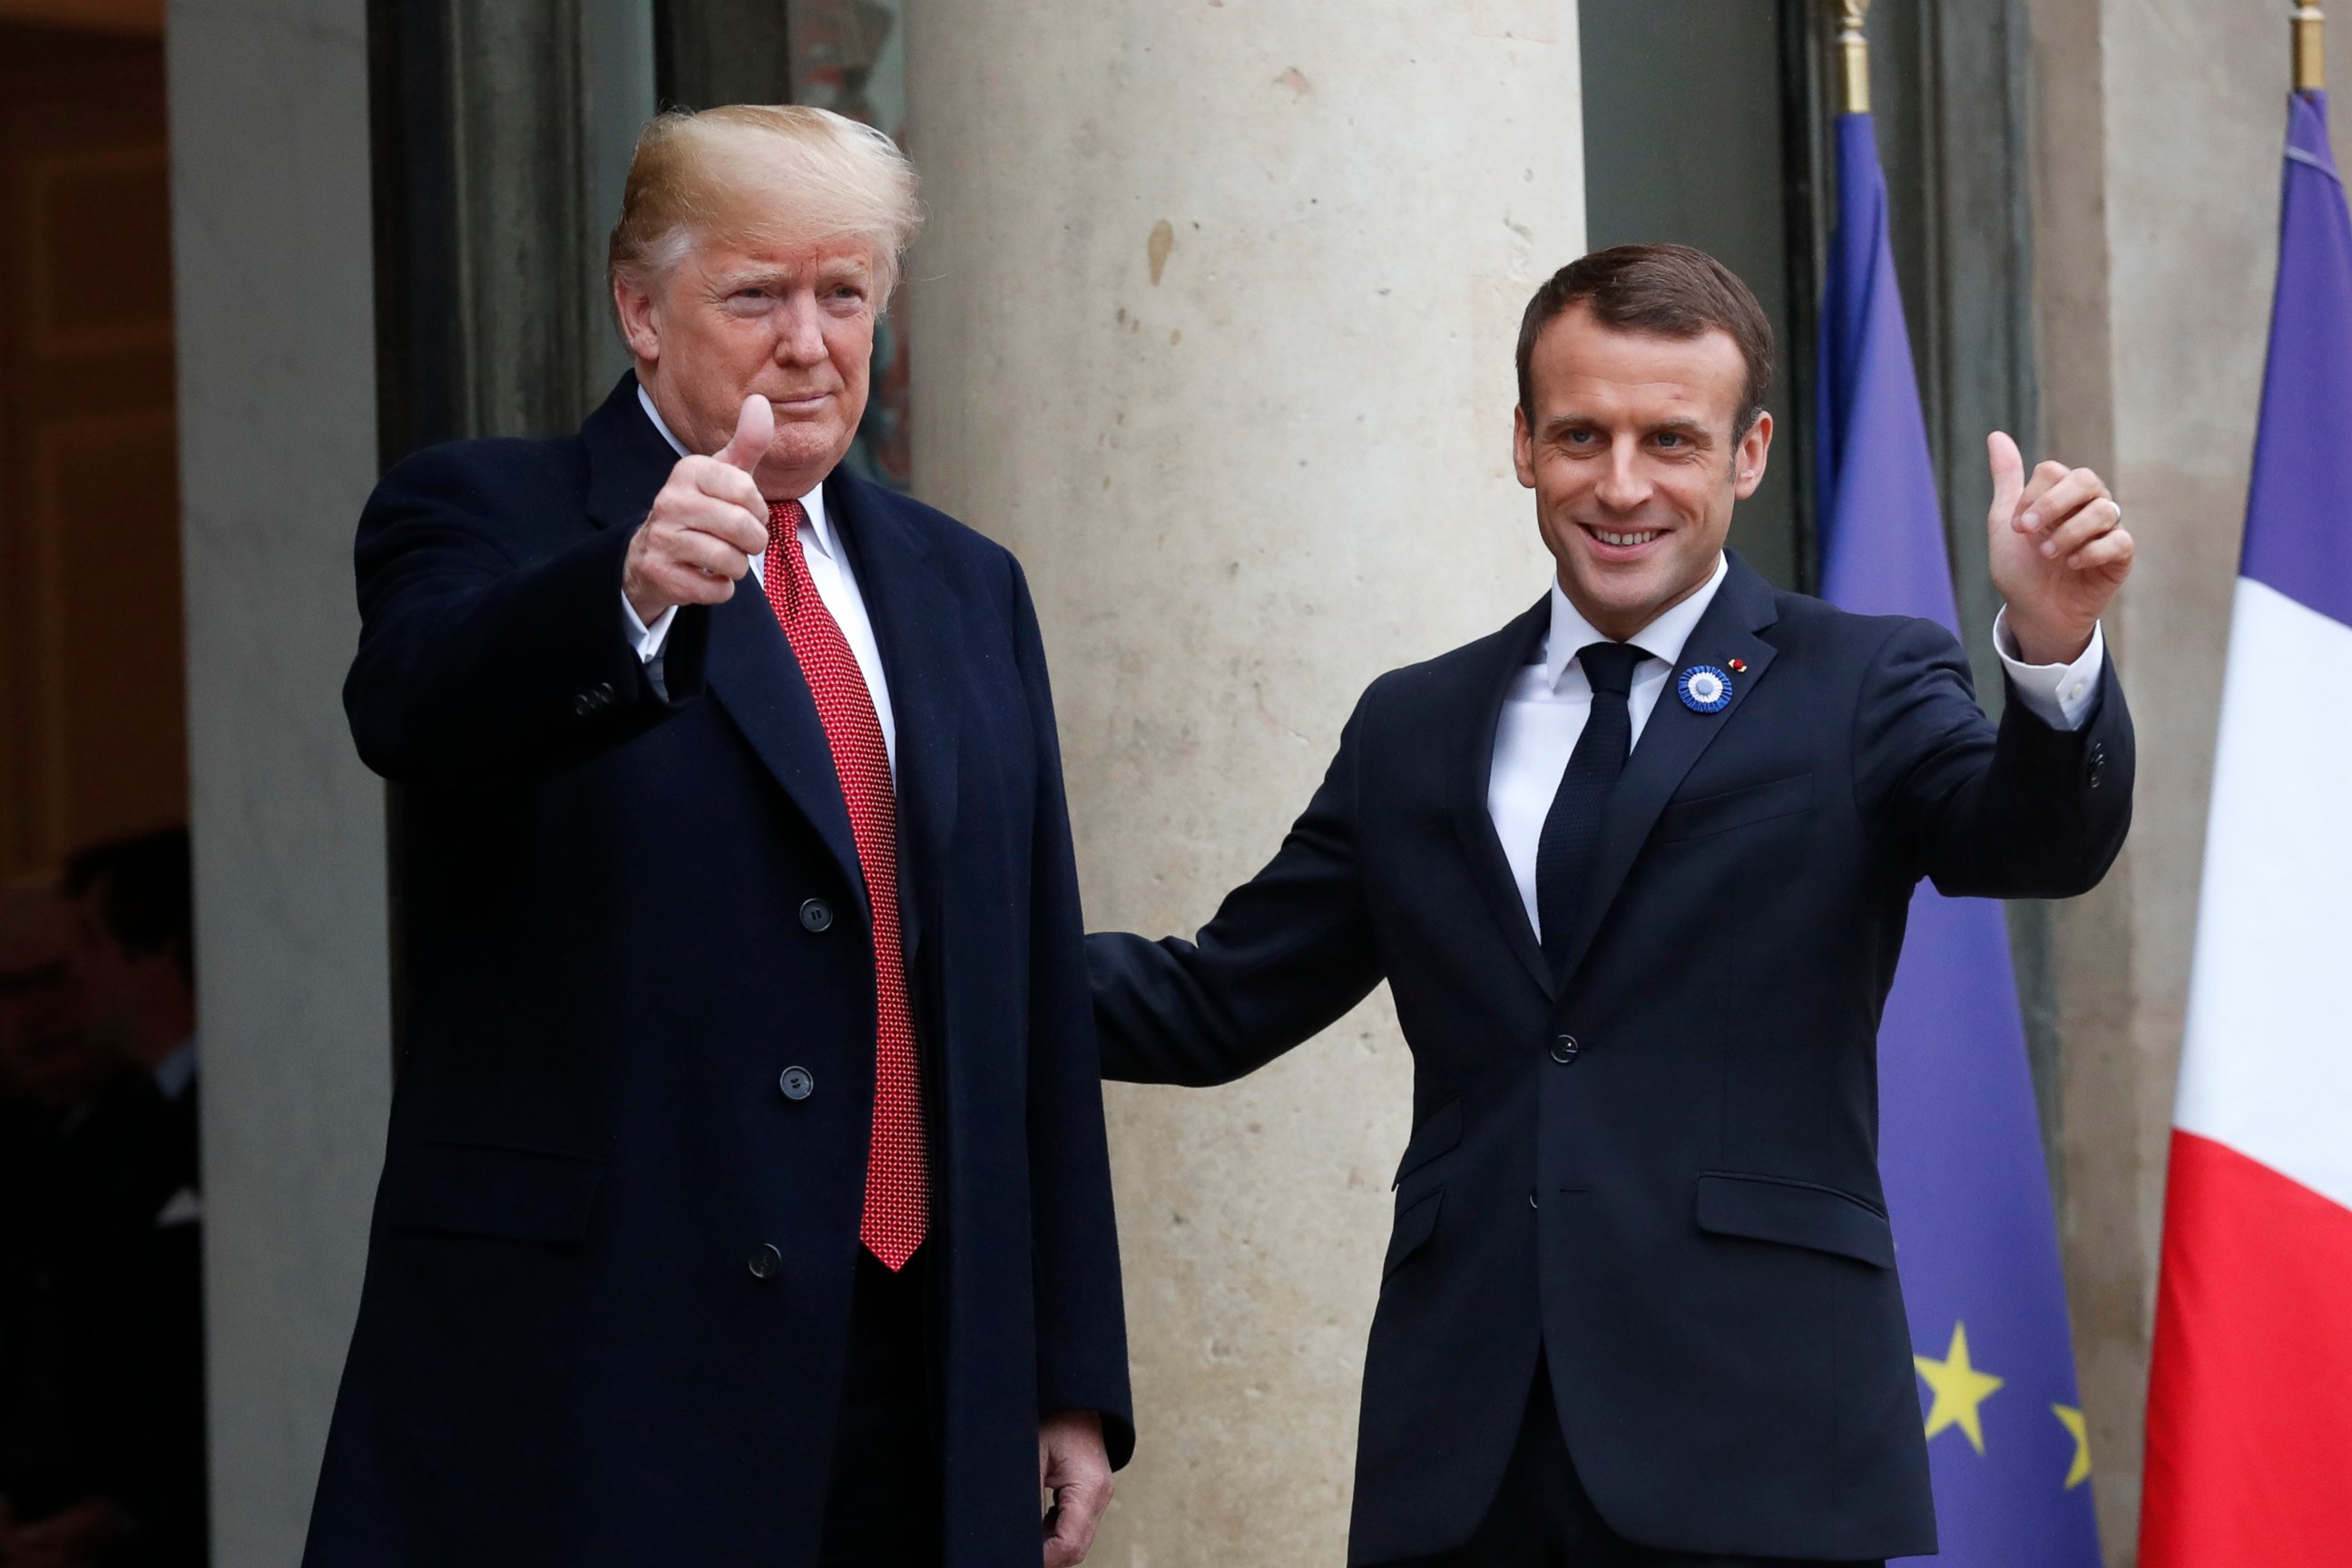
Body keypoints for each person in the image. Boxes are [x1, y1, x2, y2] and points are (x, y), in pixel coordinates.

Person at [1089, 245, 2135, 1567]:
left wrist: (2052, 651)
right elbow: (1213, 1001)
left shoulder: (1860, 680)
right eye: (1582, 434)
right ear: (1523, 444)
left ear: (1749, 454)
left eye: (1671, 439)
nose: (1623, 484)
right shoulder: (1415, 725)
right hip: (1467, 1455)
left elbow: (2034, 843)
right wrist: (914, 950)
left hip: (1758, 1448)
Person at [305, 105, 1130, 1568]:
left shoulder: (963, 583)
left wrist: (1067, 1368)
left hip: (921, 1369)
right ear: (640, 306)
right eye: (755, 294)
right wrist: (625, 593)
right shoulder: (488, 515)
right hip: (605, 1370)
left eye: (845, 293)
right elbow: (413, 704)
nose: (807, 343)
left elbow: (1020, 989)